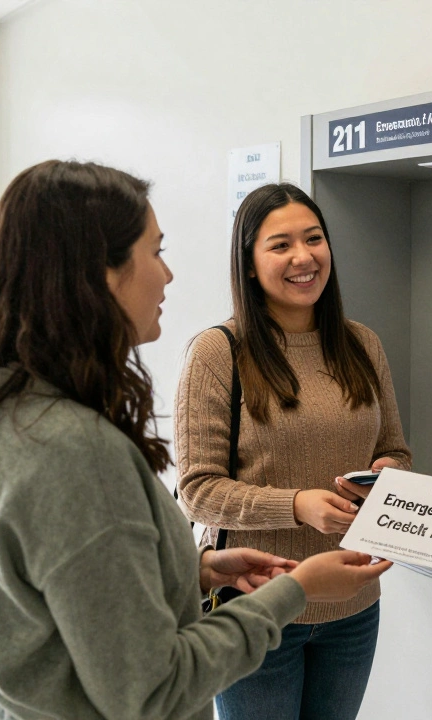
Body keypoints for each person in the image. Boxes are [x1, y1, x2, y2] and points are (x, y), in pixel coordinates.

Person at [0, 160, 391, 720]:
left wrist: (184, 570)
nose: (168, 276)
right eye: (157, 252)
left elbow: (67, 586)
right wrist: (294, 590)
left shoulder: (4, 409)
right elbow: (151, 689)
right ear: (100, 273)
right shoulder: (74, 449)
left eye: (314, 239)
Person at [177, 182, 411, 720]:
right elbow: (196, 490)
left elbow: (395, 448)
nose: (303, 257)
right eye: (280, 245)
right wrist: (297, 504)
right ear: (250, 262)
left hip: (353, 606)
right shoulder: (218, 351)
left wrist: (389, 473)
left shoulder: (362, 343)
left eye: (314, 239)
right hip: (258, 607)